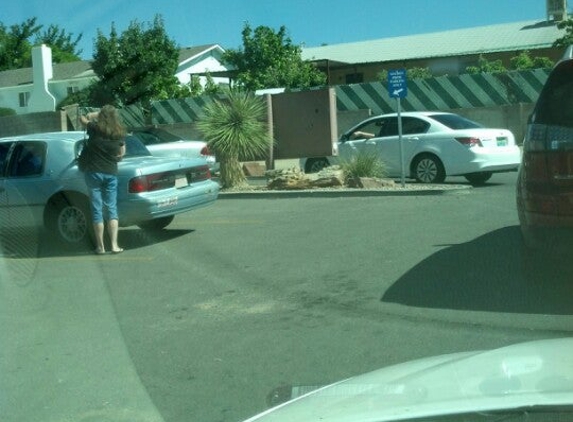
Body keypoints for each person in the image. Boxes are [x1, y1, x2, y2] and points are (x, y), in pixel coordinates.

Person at [80, 105, 127, 255]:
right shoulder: (118, 132)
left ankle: (100, 247)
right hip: (111, 172)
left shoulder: (94, 128)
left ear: (102, 115)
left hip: (93, 172)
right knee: (111, 209)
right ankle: (114, 245)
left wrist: (96, 114)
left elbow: (83, 118)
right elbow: (121, 153)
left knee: (96, 209)